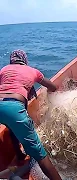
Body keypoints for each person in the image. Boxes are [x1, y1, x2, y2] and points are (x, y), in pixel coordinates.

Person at [0, 50, 62, 180]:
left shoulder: (4, 69)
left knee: (11, 127)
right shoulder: (33, 71)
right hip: (14, 108)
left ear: (12, 60)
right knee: (40, 155)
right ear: (25, 60)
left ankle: (20, 155)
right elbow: (52, 87)